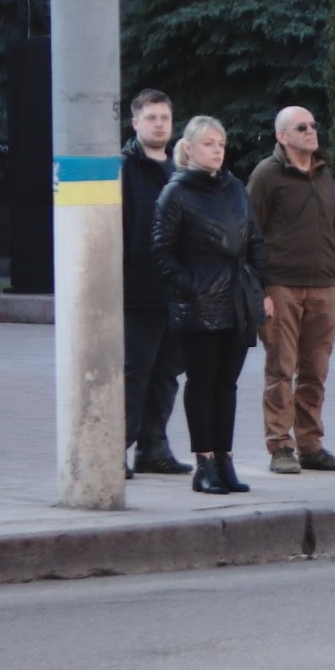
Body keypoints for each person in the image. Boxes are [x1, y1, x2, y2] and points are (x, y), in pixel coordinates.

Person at [153, 116, 268, 495]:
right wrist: (191, 288)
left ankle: (225, 459)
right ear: (188, 149)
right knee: (201, 384)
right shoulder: (176, 192)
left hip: (236, 300)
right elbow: (162, 251)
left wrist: (256, 282)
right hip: (199, 304)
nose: (217, 149)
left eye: (221, 143)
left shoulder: (235, 187)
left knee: (227, 385)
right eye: (208, 143)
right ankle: (204, 464)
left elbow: (254, 239)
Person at [248, 107, 335, 474]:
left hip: (323, 289)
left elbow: (334, 232)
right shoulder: (267, 175)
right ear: (282, 137)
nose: (311, 131)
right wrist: (260, 290)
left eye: (313, 125)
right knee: (280, 370)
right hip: (281, 287)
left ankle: (310, 444)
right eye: (301, 127)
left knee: (315, 372)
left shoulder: (324, 173)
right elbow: (250, 233)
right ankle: (280, 447)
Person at [119, 90, 187, 479]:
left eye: (165, 117)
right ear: (136, 123)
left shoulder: (181, 167)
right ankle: (116, 449)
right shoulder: (125, 168)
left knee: (167, 373)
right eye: (152, 117)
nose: (159, 123)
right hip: (138, 291)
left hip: (177, 293)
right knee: (134, 373)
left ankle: (154, 447)